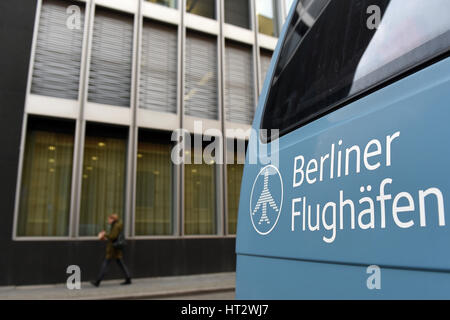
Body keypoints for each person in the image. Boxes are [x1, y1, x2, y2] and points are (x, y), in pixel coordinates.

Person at [91, 214, 132, 287]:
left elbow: (113, 236)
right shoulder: (116, 225)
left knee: (105, 264)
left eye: (109, 219)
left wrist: (104, 235)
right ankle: (128, 278)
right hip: (116, 248)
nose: (108, 221)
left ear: (113, 219)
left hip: (113, 249)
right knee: (121, 264)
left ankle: (98, 281)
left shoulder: (115, 226)